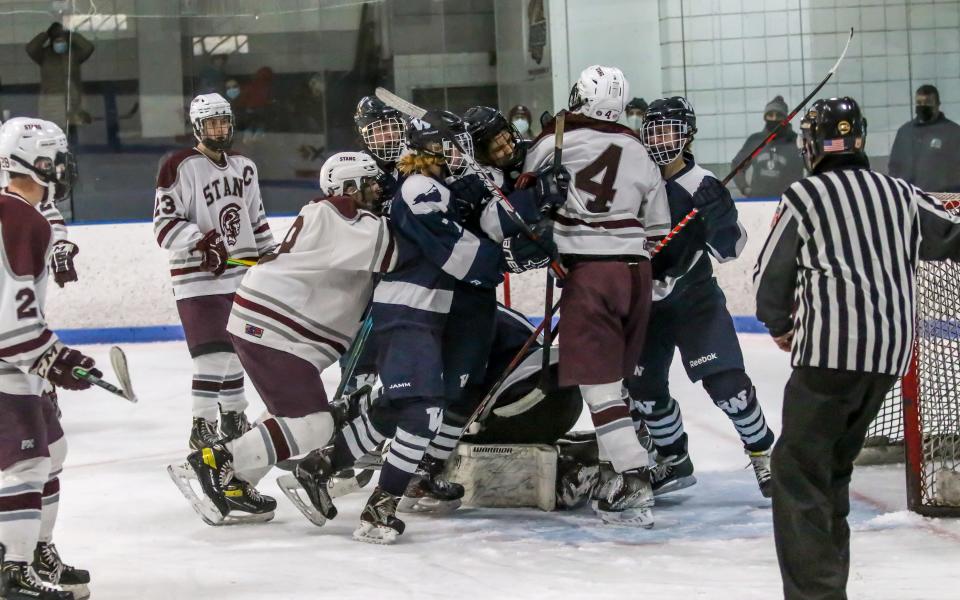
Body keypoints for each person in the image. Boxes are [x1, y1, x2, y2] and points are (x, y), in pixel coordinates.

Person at [754, 96, 960, 600]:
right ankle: (829, 584)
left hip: (827, 357)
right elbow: (951, 235)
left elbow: (768, 281)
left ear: (811, 145)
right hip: (887, 358)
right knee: (832, 470)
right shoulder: (902, 193)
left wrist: (780, 325)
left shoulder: (805, 196)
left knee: (797, 472)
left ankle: (817, 595)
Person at [170, 151, 396, 526]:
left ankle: (238, 480)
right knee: (314, 424)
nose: (378, 189)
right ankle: (216, 461)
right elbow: (395, 251)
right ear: (348, 187)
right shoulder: (340, 214)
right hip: (277, 330)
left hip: (275, 328)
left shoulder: (339, 215)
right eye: (369, 182)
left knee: (286, 413)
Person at [524, 65, 670, 527]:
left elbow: (525, 206)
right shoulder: (639, 149)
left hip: (592, 274)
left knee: (600, 390)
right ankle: (614, 474)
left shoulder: (553, 143)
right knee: (615, 386)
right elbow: (658, 228)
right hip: (636, 274)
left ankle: (634, 479)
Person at [628, 96, 775, 498]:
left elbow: (729, 249)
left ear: (687, 136)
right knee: (642, 390)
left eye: (669, 130)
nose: (659, 138)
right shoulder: (634, 180)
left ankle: (764, 452)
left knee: (729, 387)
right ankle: (673, 459)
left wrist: (720, 216)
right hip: (647, 305)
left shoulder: (703, 184)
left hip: (695, 301)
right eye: (653, 129)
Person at [0, 117, 91, 600]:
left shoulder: (21, 212)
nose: (64, 167)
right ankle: (12, 572)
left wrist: (49, 360)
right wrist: (54, 359)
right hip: (7, 363)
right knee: (26, 464)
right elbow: (11, 325)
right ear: (35, 163)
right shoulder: (19, 218)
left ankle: (35, 551)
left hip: (17, 358)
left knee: (52, 452)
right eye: (56, 158)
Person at [153, 93, 275, 451]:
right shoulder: (179, 164)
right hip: (196, 277)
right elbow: (164, 225)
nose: (219, 129)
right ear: (197, 127)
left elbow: (256, 220)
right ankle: (201, 422)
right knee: (213, 353)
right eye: (211, 123)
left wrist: (271, 257)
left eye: (223, 122)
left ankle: (233, 416)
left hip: (240, 273)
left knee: (235, 348)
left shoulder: (245, 167)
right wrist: (201, 242)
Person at [888, 84, 960, 192]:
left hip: (942, 200)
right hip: (910, 199)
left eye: (928, 103)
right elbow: (894, 166)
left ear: (938, 104)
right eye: (919, 103)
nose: (923, 106)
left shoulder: (953, 132)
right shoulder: (905, 132)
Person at [731, 95, 804, 198]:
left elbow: (812, 167)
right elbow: (736, 166)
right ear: (765, 117)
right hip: (757, 203)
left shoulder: (797, 141)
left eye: (778, 115)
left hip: (788, 202)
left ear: (786, 118)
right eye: (770, 115)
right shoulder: (755, 141)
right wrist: (745, 189)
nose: (774, 119)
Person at [25, 23, 94, 131]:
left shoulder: (73, 54)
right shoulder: (44, 55)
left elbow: (88, 47)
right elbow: (30, 49)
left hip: (73, 102)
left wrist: (70, 34)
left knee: (73, 134)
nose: (60, 43)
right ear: (52, 41)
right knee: (52, 135)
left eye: (62, 40)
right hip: (51, 103)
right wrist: (46, 34)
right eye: (57, 41)